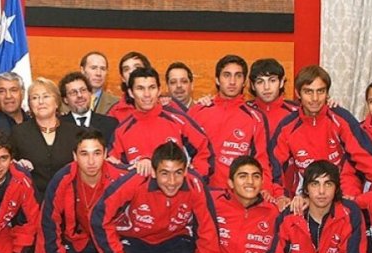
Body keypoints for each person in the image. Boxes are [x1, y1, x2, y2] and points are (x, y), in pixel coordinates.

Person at [11, 77, 81, 253]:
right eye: (34, 98)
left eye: (45, 96)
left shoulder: (75, 132)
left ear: (57, 101)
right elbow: (7, 168)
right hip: (31, 216)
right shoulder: (19, 133)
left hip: (66, 217)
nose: (39, 102)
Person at [270, 65, 372, 198]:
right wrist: (279, 196)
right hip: (304, 194)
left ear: (327, 93)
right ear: (298, 93)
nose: (315, 98)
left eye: (320, 91)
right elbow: (273, 166)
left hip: (342, 190)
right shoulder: (287, 126)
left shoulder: (340, 119)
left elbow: (365, 156)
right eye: (308, 92)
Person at [189, 55, 278, 198]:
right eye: (227, 75)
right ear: (217, 80)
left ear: (244, 82)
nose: (232, 81)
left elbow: (261, 160)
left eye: (238, 76)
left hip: (238, 198)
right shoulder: (198, 111)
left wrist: (265, 189)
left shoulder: (255, 117)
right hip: (200, 194)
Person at [109, 66, 214, 179]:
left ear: (159, 90)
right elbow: (112, 167)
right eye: (140, 88)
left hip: (177, 194)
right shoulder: (122, 131)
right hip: (139, 196)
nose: (147, 94)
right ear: (130, 92)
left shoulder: (178, 120)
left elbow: (205, 152)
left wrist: (190, 181)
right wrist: (136, 171)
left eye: (152, 87)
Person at [59, 71, 119, 145]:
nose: (79, 95)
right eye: (73, 92)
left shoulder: (110, 124)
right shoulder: (58, 126)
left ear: (90, 93)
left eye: (83, 90)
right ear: (65, 99)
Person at [247, 58, 299, 134]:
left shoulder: (297, 113)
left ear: (281, 82)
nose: (266, 87)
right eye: (260, 82)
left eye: (272, 81)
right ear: (253, 86)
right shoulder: (244, 112)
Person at [106, 51, 151, 122]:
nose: (131, 72)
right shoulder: (115, 112)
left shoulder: (163, 104)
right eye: (126, 69)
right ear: (123, 78)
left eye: (137, 67)